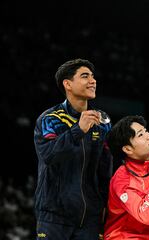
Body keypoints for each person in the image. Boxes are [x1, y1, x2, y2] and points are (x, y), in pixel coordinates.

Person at [33, 58, 113, 240]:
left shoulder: (102, 121)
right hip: (54, 217)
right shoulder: (50, 119)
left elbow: (105, 169)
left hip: (90, 219)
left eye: (93, 76)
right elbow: (48, 155)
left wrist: (106, 205)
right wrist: (78, 130)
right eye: (85, 76)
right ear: (67, 84)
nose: (93, 81)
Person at [104, 115, 149, 240]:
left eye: (146, 131)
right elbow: (146, 216)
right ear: (127, 149)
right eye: (140, 135)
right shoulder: (122, 180)